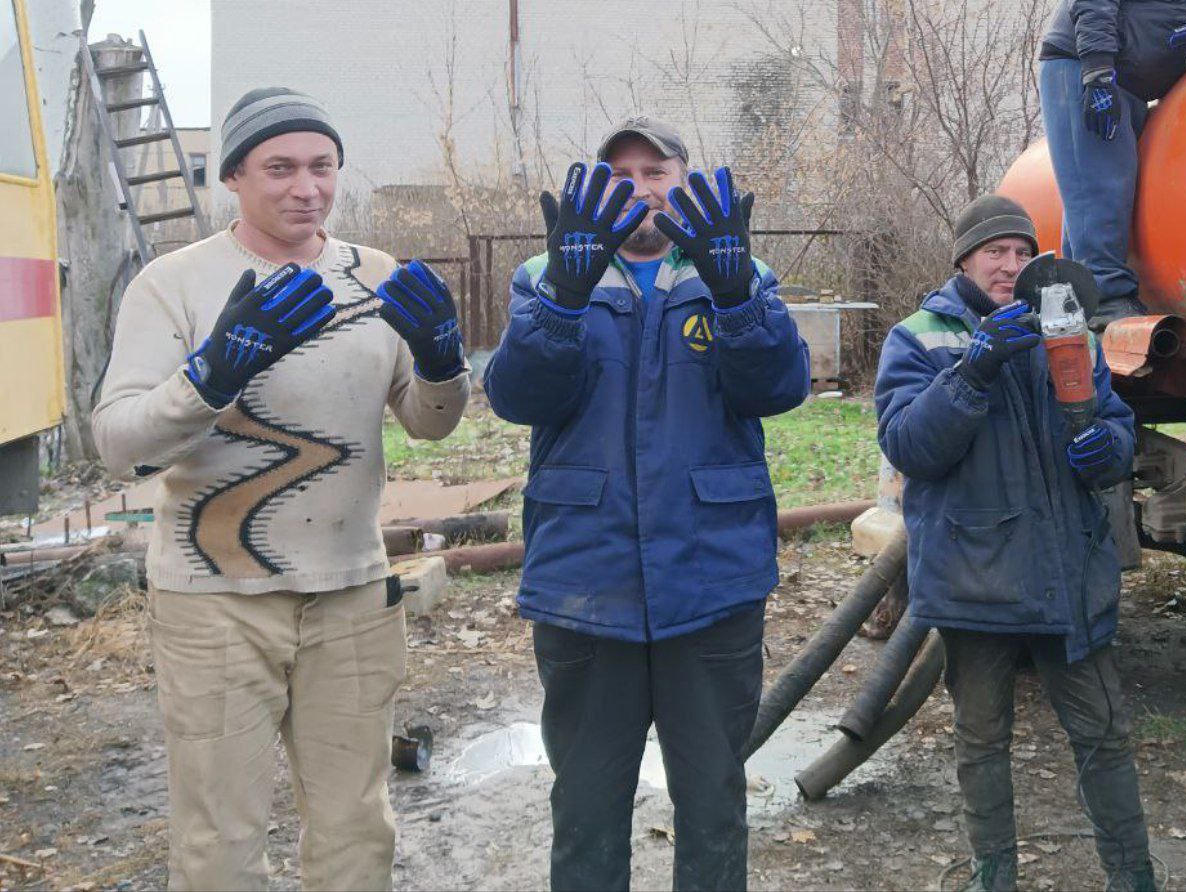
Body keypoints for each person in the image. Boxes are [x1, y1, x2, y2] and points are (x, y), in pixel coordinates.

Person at [92, 87, 471, 891]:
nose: (307, 187)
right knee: (220, 842)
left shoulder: (376, 278)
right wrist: (212, 374)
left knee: (356, 829)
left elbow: (430, 423)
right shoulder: (176, 284)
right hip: (214, 600)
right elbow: (117, 446)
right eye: (280, 168)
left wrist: (442, 361)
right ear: (233, 175)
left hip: (351, 596)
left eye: (323, 166)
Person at [483, 115, 810, 891]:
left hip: (713, 580)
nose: (639, 187)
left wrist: (737, 300)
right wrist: (563, 294)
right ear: (597, 190)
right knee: (589, 809)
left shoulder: (740, 272)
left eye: (656, 172)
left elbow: (778, 388)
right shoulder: (547, 273)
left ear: (686, 184)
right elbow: (518, 396)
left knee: (713, 802)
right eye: (621, 174)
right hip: (585, 586)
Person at [874, 195, 1155, 892]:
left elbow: (1118, 427)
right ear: (964, 257)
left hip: (1068, 572)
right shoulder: (922, 336)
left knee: (1105, 735)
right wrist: (973, 371)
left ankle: (1133, 876)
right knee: (981, 741)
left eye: (1023, 253)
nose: (1011, 265)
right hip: (977, 578)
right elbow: (911, 445)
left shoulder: (1068, 327)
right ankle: (992, 875)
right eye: (996, 251)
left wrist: (1106, 450)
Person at [1039, 0, 1186, 330]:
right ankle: (1106, 299)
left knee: (1104, 187)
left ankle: (1083, 293)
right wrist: (1098, 72)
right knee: (1101, 186)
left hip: (1134, 85)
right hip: (1086, 64)